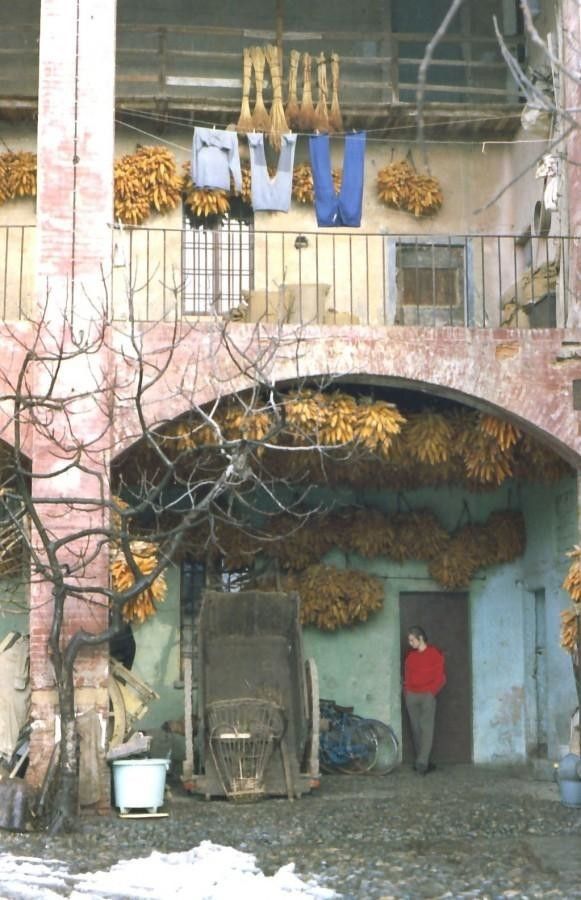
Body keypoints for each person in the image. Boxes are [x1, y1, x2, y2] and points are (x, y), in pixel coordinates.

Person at [403, 625, 446, 775]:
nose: (410, 643)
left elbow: (440, 678)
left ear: (420, 638)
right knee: (416, 729)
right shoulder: (410, 657)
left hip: (427, 696)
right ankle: (423, 761)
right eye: (409, 640)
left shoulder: (434, 654)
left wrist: (430, 693)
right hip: (411, 697)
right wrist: (407, 693)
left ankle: (421, 763)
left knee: (426, 729)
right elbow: (407, 677)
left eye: (412, 640)